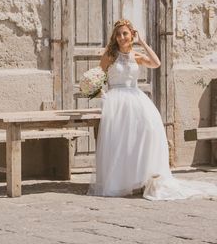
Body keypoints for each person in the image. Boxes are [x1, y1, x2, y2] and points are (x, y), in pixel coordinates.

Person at [91, 19, 217, 200]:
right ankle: (120, 182)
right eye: (118, 34)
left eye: (125, 33)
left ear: (131, 35)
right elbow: (97, 76)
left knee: (149, 130)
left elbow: (156, 63)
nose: (121, 37)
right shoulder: (110, 55)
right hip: (116, 101)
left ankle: (141, 178)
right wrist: (100, 94)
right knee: (119, 141)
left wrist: (142, 42)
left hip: (136, 98)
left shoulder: (137, 55)